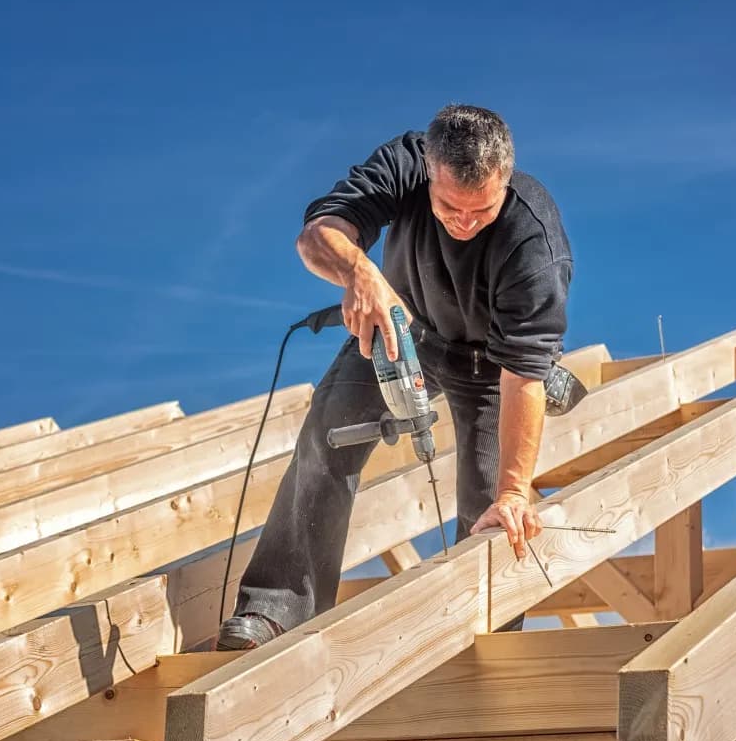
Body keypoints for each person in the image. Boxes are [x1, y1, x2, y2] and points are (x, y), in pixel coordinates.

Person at [217, 104, 574, 649]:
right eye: (450, 207)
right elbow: (317, 235)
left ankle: (477, 641)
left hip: (493, 365)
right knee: (325, 438)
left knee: (494, 516)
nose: (465, 223)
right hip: (401, 333)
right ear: (428, 171)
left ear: (505, 178)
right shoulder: (406, 164)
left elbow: (518, 375)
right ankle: (276, 610)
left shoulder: (533, 242)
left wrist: (514, 490)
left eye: (481, 211)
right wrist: (360, 272)